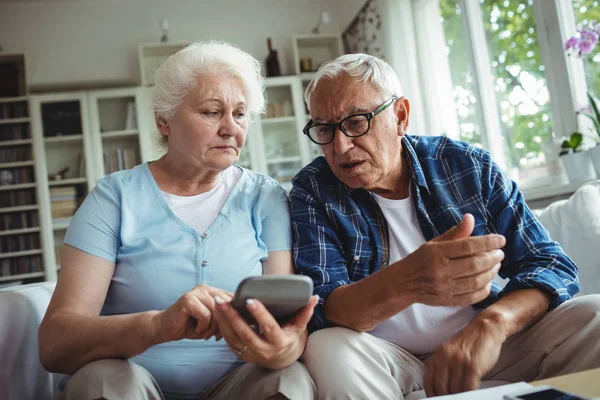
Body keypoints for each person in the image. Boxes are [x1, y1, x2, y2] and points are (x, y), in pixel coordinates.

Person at [290, 53, 600, 399]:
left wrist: (493, 325)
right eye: (324, 129)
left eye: (357, 121)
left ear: (400, 116)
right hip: (389, 362)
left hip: (486, 349)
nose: (340, 146)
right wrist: (411, 280)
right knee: (326, 347)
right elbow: (323, 308)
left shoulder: (466, 165)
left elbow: (551, 264)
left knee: (594, 314)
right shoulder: (314, 189)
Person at [38, 41, 317, 400]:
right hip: (133, 383)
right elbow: (55, 343)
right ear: (163, 120)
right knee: (104, 379)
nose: (231, 128)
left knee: (290, 380)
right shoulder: (114, 199)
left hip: (240, 386)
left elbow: (287, 328)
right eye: (212, 112)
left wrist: (285, 349)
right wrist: (156, 325)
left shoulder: (265, 197)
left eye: (241, 114)